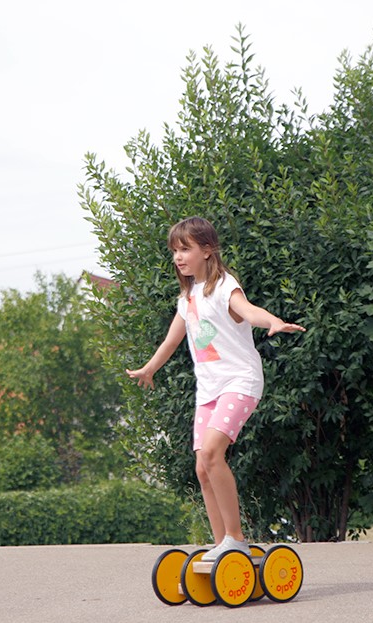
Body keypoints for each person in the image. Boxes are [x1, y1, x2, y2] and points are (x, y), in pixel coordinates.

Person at [126, 216, 305, 561]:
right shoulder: (187, 298)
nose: (178, 257)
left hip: (240, 381)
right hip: (209, 391)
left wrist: (272, 321)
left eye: (185, 249)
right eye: (174, 251)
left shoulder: (224, 287)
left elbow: (248, 311)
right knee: (201, 467)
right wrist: (149, 368)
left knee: (211, 454)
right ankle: (223, 545)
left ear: (207, 250)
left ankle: (235, 538)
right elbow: (171, 341)